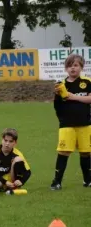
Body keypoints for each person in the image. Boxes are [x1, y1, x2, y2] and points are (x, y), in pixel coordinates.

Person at [51, 54, 91, 190]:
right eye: (69, 66)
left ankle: (88, 180)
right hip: (67, 124)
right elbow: (57, 105)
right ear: (66, 68)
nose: (72, 68)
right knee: (64, 151)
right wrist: (58, 95)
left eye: (75, 65)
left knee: (86, 152)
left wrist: (72, 96)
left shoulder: (87, 82)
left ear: (81, 67)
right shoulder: (61, 85)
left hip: (85, 124)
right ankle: (57, 182)